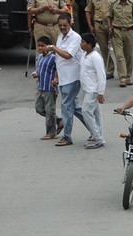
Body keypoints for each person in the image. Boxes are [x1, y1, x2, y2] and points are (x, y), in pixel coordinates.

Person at [51, 16, 87, 148]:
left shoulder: (75, 37)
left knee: (66, 106)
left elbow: (68, 55)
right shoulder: (60, 37)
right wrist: (56, 77)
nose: (62, 28)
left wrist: (54, 48)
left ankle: (67, 137)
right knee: (75, 108)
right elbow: (58, 60)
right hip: (63, 77)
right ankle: (95, 130)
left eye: (64, 25)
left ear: (70, 23)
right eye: (60, 25)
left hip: (73, 77)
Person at [79, 33, 107, 150]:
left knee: (86, 112)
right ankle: (98, 135)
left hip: (93, 90)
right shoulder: (85, 55)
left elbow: (101, 75)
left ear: (89, 45)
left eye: (83, 42)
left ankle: (98, 138)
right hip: (87, 89)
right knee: (95, 115)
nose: (81, 44)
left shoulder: (95, 57)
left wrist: (101, 92)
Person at [33, 37, 60, 140]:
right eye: (39, 46)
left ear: (48, 46)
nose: (40, 48)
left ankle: (50, 132)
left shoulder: (53, 58)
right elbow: (38, 70)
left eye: (43, 45)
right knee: (39, 108)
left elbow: (59, 68)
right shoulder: (39, 57)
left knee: (49, 110)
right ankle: (58, 120)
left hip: (49, 87)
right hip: (40, 87)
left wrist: (56, 78)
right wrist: (36, 74)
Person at [109, 0, 133, 87]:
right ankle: (122, 78)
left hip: (129, 31)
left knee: (129, 55)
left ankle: (128, 76)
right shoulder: (113, 4)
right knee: (119, 55)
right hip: (117, 31)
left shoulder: (132, 4)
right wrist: (110, 28)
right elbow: (109, 16)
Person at [85, 0, 115, 80]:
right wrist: (90, 25)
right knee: (103, 48)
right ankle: (109, 70)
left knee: (117, 48)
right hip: (99, 24)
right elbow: (88, 11)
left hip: (113, 24)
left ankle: (123, 72)